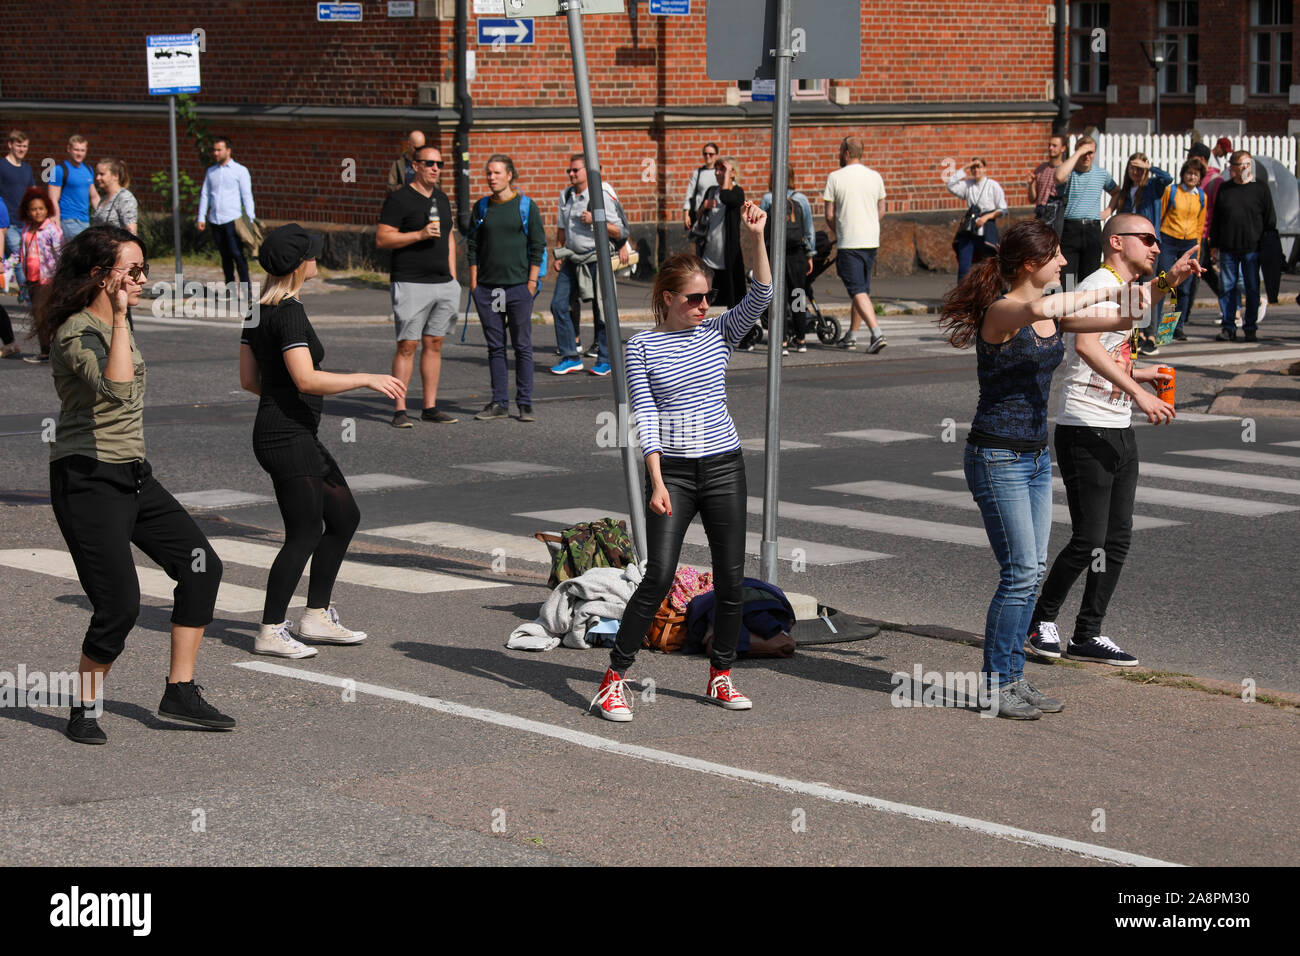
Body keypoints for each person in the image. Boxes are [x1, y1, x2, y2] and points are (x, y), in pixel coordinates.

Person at [938, 219, 1154, 719]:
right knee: (1017, 574)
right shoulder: (1005, 311)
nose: (1064, 263)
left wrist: (1146, 301)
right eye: (1056, 257)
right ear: (1032, 264)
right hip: (996, 457)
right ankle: (997, 686)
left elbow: (1111, 322)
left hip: (1034, 457)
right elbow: (1040, 307)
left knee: (1031, 573)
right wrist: (1096, 300)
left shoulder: (1050, 316)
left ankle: (1014, 678)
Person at [38, 226, 234, 744]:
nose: (144, 280)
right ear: (103, 277)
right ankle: (83, 707)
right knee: (119, 606)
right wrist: (121, 318)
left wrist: (122, 317)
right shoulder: (76, 334)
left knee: (201, 565)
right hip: (87, 479)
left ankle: (180, 689)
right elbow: (118, 389)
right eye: (134, 271)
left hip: (133, 474)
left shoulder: (115, 322)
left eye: (145, 269)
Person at [590, 202, 773, 722]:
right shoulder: (643, 346)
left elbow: (761, 294)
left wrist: (752, 238)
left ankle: (721, 675)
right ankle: (613, 680)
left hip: (723, 465)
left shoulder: (717, 333)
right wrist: (654, 479)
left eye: (708, 297)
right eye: (694, 298)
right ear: (668, 298)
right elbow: (643, 413)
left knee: (733, 580)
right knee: (658, 576)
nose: (703, 305)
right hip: (672, 472)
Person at [1026, 214, 1203, 669]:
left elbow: (1134, 310)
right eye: (1147, 239)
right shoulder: (1094, 283)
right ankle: (1039, 621)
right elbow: (1085, 346)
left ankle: (1088, 634)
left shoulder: (1122, 285)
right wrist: (1140, 391)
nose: (1155, 247)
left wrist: (1172, 279)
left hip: (1118, 423)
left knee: (1117, 539)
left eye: (1157, 241)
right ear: (1117, 242)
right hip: (1085, 425)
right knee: (1088, 538)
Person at [240, 225, 405, 657]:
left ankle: (314, 615)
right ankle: (271, 629)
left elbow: (248, 380)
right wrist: (367, 378)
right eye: (312, 255)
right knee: (305, 530)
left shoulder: (258, 309)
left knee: (344, 516)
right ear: (299, 266)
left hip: (287, 431)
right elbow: (306, 378)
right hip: (286, 435)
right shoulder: (289, 311)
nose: (318, 260)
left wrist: (284, 398)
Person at [376, 143, 459, 427]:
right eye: (429, 163)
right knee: (407, 345)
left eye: (440, 164)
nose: (436, 169)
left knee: (434, 343)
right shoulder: (399, 199)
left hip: (442, 282)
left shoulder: (443, 199)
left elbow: (448, 235)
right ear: (416, 166)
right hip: (410, 281)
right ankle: (399, 409)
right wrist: (419, 234)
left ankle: (430, 406)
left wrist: (453, 276)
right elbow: (383, 239)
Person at [466, 153, 545, 422]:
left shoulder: (526, 206)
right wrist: (474, 284)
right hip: (488, 289)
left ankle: (525, 403)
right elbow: (473, 246)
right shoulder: (482, 207)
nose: (491, 178)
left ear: (510, 175)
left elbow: (537, 246)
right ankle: (499, 402)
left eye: (497, 173)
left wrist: (531, 283)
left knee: (522, 345)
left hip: (518, 288)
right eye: (488, 173)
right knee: (495, 347)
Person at [549, 152, 628, 377]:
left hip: (597, 259)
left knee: (602, 310)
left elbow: (621, 230)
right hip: (572, 259)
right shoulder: (566, 196)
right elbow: (562, 229)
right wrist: (559, 253)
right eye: (570, 170)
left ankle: (605, 359)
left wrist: (596, 219)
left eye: (576, 170)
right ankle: (570, 356)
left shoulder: (601, 194)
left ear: (588, 172)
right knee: (558, 305)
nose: (571, 174)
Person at [823, 136, 887, 352]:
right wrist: (868, 223)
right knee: (862, 291)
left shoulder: (835, 177)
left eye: (840, 150)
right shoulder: (875, 177)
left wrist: (840, 229)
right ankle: (852, 334)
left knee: (857, 290)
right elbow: (882, 209)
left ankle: (876, 333)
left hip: (849, 242)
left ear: (847, 153)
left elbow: (829, 215)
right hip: (871, 241)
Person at [1110, 153, 1173, 355]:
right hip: (1129, 247)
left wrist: (1150, 167)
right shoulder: (1126, 192)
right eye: (1132, 168)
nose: (1135, 172)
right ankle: (1135, 333)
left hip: (1148, 245)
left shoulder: (1152, 187)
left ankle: (1151, 335)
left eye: (1139, 169)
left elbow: (1167, 178)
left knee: (1150, 288)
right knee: (1131, 290)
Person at [1210, 150, 1275, 343]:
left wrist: (1266, 245)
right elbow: (1217, 218)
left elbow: (1270, 219)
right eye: (1236, 165)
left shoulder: (1260, 189)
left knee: (1252, 288)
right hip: (1228, 248)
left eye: (1246, 164)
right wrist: (1214, 244)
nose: (1243, 168)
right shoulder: (1225, 189)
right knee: (1227, 288)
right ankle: (1228, 326)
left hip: (1252, 250)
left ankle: (1250, 327)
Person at [759, 163, 815, 352]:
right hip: (797, 255)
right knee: (798, 295)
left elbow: (763, 230)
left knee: (779, 298)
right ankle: (800, 339)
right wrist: (810, 254)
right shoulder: (802, 199)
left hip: (776, 254)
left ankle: (781, 340)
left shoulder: (768, 199)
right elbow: (808, 230)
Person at [1054, 137, 1119, 289]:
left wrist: (1108, 210)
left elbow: (1117, 192)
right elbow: (1058, 176)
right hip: (1071, 229)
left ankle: (1087, 311)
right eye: (1084, 152)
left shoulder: (1102, 174)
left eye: (1090, 152)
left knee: (1090, 279)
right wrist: (1078, 152)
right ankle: (1067, 309)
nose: (1087, 156)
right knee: (1067, 279)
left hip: (1092, 230)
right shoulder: (1070, 173)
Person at [1155, 158, 1207, 341]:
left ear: (1200, 178)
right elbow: (1160, 214)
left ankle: (1174, 328)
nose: (1192, 177)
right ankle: (1154, 327)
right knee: (1163, 283)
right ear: (1183, 174)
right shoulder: (1172, 191)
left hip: (1189, 243)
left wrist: (1197, 250)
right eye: (1189, 173)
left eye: (1195, 174)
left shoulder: (1201, 196)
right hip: (1169, 240)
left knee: (1183, 289)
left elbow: (1200, 225)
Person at [197, 136, 255, 295]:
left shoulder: (240, 171)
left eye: (219, 150)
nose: (215, 153)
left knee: (237, 254)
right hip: (216, 219)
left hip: (233, 219)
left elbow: (246, 195)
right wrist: (201, 216)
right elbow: (205, 195)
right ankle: (229, 287)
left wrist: (250, 218)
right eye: (214, 150)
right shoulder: (211, 172)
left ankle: (246, 288)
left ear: (228, 150)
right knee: (225, 255)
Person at [18, 187, 63, 364]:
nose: (38, 212)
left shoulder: (52, 230)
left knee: (45, 314)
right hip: (32, 279)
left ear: (47, 209)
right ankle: (46, 350)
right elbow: (21, 253)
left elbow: (60, 253)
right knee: (38, 316)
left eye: (41, 209)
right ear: (27, 211)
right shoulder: (26, 229)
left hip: (48, 279)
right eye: (34, 209)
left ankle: (49, 351)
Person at [698, 156, 746, 315]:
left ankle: (740, 334)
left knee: (734, 299)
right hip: (709, 255)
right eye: (717, 169)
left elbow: (727, 198)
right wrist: (704, 206)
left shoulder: (737, 192)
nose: (718, 173)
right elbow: (696, 217)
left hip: (728, 256)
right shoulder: (711, 191)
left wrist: (726, 178)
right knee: (703, 297)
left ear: (733, 173)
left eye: (723, 169)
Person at [947, 157, 1007, 280]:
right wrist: (966, 166)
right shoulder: (968, 185)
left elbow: (1003, 209)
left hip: (987, 227)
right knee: (964, 265)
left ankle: (990, 293)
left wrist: (986, 217)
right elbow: (950, 184)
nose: (976, 170)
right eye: (973, 167)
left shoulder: (993, 186)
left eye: (978, 166)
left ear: (985, 168)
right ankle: (962, 296)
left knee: (989, 264)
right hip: (970, 228)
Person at [1, 130, 36, 296]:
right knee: (20, 259)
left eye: (25, 146)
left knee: (19, 259)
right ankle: (29, 297)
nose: (22, 149)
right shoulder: (2, 166)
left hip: (24, 223)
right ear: (10, 145)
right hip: (7, 223)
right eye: (19, 145)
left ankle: (23, 293)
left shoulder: (27, 169)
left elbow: (32, 193)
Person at [48, 134, 98, 245]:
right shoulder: (57, 170)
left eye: (82, 150)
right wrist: (56, 223)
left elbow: (94, 196)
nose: (79, 153)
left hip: (85, 221)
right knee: (83, 251)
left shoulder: (88, 169)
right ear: (68, 149)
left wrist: (104, 213)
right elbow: (52, 198)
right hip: (67, 220)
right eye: (76, 150)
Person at [91, 158, 138, 235]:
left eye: (102, 174)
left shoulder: (125, 197)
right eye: (97, 174)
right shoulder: (103, 199)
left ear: (115, 176)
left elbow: (131, 231)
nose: (97, 178)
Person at [682, 142, 719, 231]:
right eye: (705, 154)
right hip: (699, 214)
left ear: (716, 155)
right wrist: (686, 214)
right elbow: (689, 194)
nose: (707, 156)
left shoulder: (721, 173)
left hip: (716, 215)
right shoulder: (698, 173)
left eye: (711, 154)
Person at [1029, 133, 1066, 222]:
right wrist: (1031, 185)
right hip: (1040, 212)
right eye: (1049, 145)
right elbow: (1032, 199)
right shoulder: (1040, 169)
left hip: (1057, 213)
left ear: (1063, 148)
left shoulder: (1065, 170)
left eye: (1054, 146)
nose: (1050, 148)